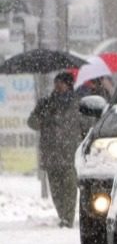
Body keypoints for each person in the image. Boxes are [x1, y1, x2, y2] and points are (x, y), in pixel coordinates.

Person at [27, 71, 83, 227]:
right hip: (51, 153)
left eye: (61, 83)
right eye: (56, 83)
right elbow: (32, 122)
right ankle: (62, 214)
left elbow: (85, 126)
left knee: (70, 187)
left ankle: (68, 218)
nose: (58, 86)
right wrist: (43, 116)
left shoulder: (78, 104)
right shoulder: (45, 103)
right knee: (56, 189)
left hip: (70, 153)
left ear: (69, 85)